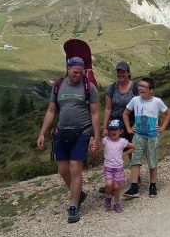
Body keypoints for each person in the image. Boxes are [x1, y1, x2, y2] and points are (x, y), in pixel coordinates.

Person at [37, 57, 100, 223]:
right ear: (68, 69)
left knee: (75, 167)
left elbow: (94, 113)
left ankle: (73, 205)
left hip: (82, 131)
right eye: (75, 72)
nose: (77, 75)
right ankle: (78, 193)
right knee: (63, 170)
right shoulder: (58, 86)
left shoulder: (89, 87)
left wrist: (97, 137)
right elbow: (51, 110)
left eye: (81, 73)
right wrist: (42, 133)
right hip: (61, 132)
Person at [122, 77, 170, 198]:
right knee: (135, 160)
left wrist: (163, 127)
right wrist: (129, 129)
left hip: (152, 136)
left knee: (152, 161)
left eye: (144, 87)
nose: (140, 88)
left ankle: (153, 185)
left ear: (151, 90)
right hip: (138, 136)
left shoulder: (157, 101)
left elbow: (168, 113)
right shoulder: (135, 100)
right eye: (140, 86)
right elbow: (125, 113)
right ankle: (134, 187)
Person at [102, 119, 135, 213]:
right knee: (108, 184)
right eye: (111, 129)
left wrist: (124, 154)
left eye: (116, 129)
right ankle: (108, 197)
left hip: (118, 168)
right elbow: (98, 146)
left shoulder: (123, 141)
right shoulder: (106, 140)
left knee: (116, 187)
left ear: (121, 131)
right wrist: (93, 147)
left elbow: (133, 147)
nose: (113, 131)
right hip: (108, 167)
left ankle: (116, 203)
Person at [102, 61, 138, 138]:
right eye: (119, 72)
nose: (120, 74)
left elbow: (141, 108)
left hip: (132, 124)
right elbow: (108, 109)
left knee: (132, 148)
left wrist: (135, 126)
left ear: (128, 73)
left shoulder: (136, 88)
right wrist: (105, 128)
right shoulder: (111, 88)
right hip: (116, 126)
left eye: (123, 72)